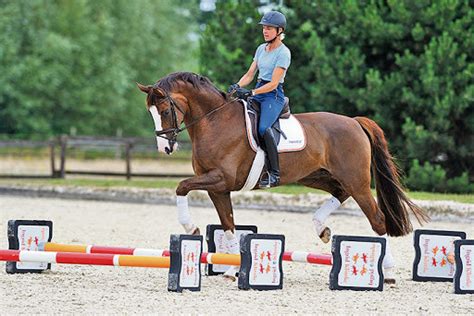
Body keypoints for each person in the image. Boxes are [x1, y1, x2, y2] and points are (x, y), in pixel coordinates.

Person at [228, 11, 291, 188]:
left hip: (273, 95)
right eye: (264, 27)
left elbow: (273, 83)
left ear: (279, 30)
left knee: (263, 128)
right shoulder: (260, 49)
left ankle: (274, 174)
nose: (265, 31)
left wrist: (251, 93)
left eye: (269, 28)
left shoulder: (284, 53)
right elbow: (250, 74)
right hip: (258, 89)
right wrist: (236, 86)